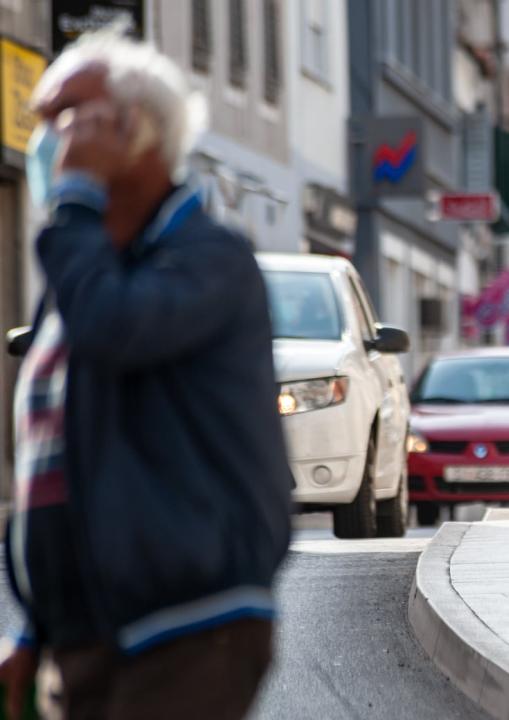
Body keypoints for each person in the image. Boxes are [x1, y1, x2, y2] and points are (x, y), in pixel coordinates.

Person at [0, 30, 293, 720]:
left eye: (66, 116)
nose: (48, 140)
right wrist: (37, 629)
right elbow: (74, 456)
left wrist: (72, 201)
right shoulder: (87, 271)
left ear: (136, 130)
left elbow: (118, 330)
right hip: (87, 629)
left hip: (186, 621)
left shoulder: (207, 258)